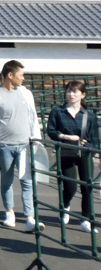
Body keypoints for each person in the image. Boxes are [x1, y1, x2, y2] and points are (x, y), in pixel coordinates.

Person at [0, 60, 42, 231]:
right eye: (21, 75)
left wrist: (35, 139)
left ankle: (30, 217)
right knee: (7, 180)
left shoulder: (25, 93)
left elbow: (33, 117)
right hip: (4, 145)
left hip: (24, 144)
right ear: (10, 75)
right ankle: (10, 212)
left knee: (27, 181)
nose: (23, 78)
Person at [47, 80, 99, 233]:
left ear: (83, 95)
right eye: (69, 91)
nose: (71, 94)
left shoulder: (89, 115)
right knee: (70, 186)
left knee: (87, 186)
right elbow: (51, 131)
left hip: (85, 153)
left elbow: (95, 139)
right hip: (66, 151)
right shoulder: (58, 111)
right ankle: (65, 206)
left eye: (75, 91)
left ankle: (86, 219)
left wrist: (87, 146)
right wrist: (66, 137)